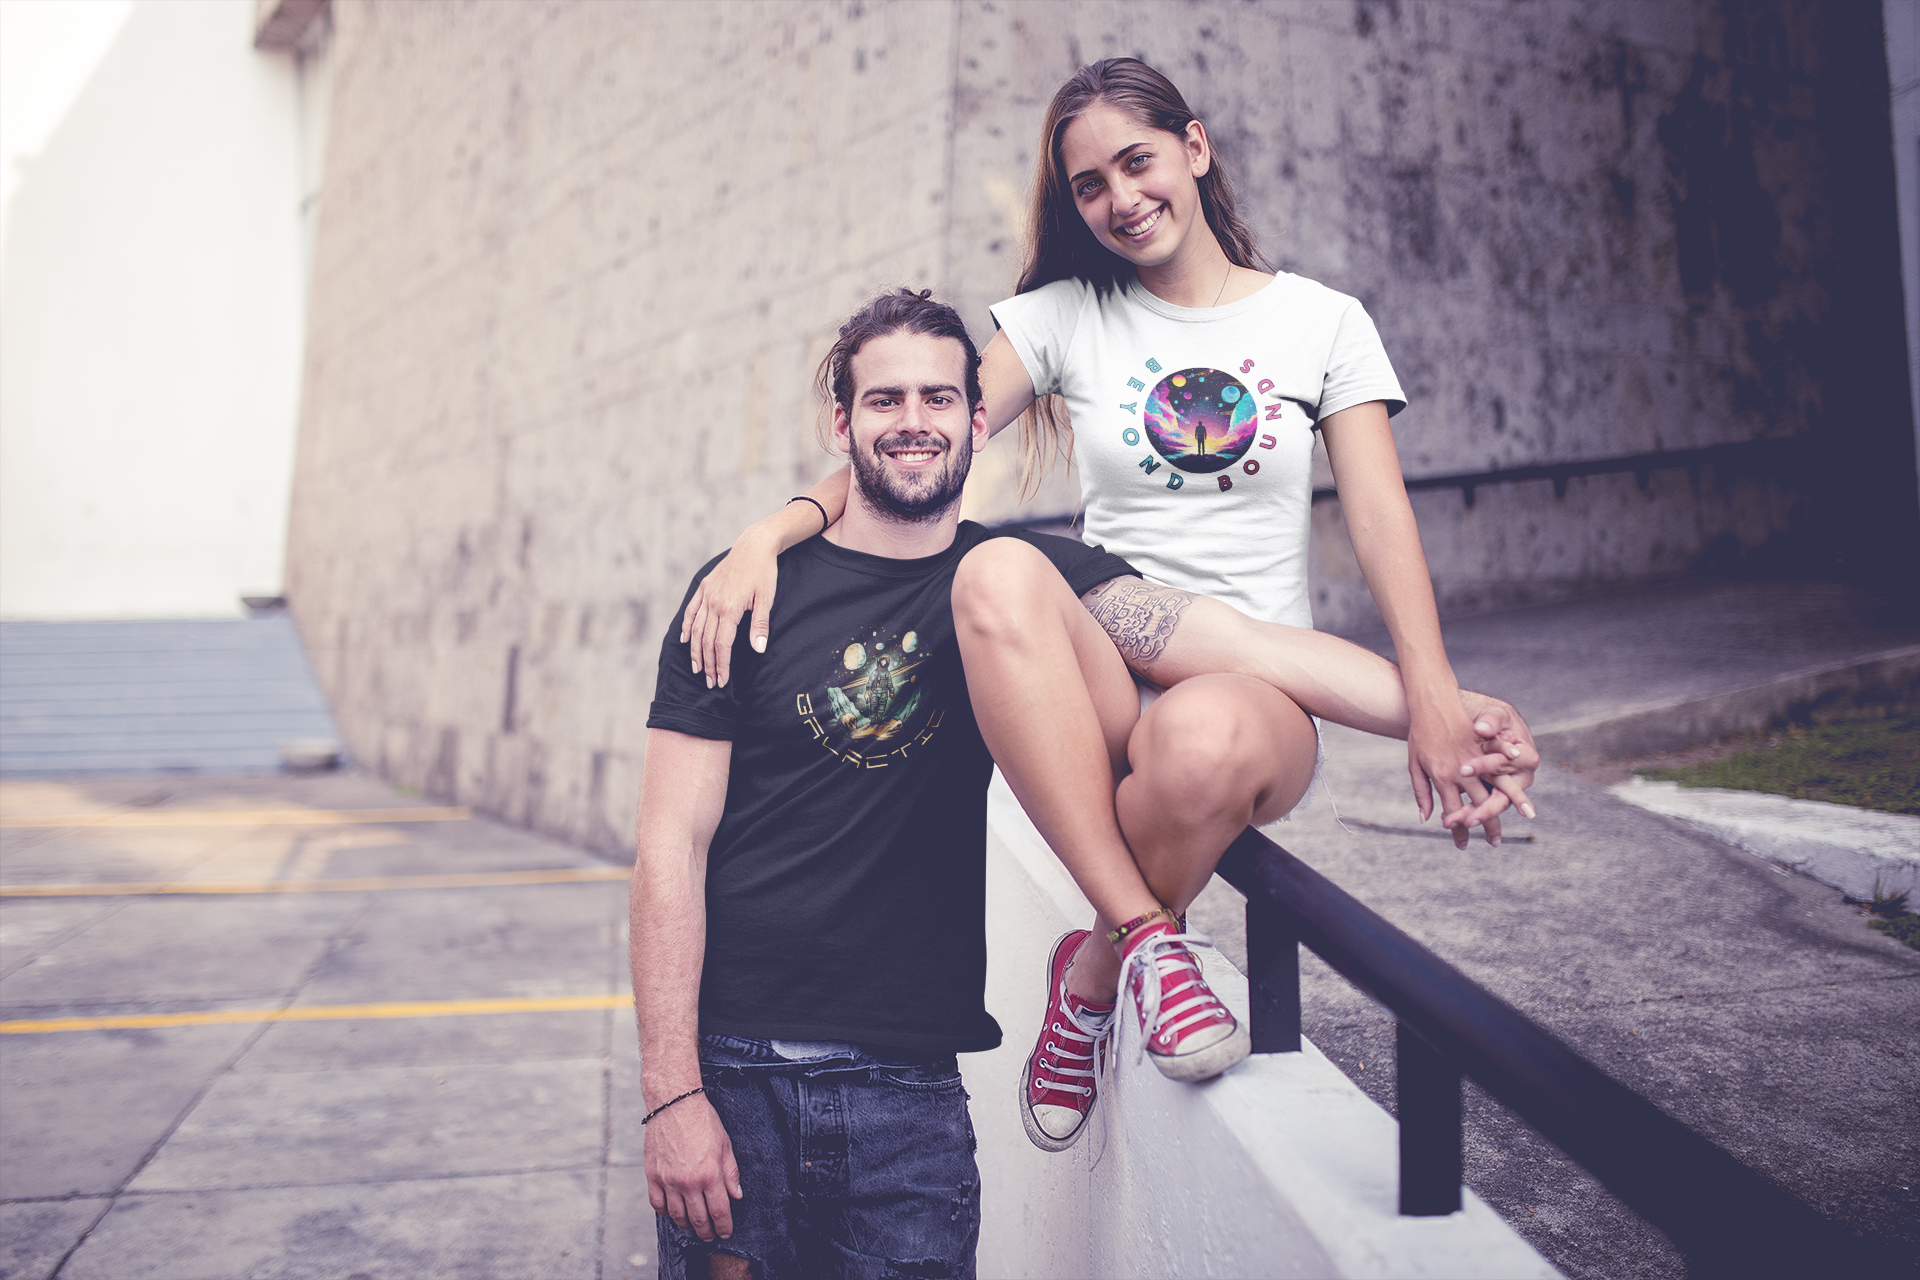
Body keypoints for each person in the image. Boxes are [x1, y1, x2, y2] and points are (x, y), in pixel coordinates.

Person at [675, 57, 1539, 1155]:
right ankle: (1149, 936)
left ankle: (1091, 971)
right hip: (1109, 661)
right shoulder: (1063, 317)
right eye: (1089, 184)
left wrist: (1438, 700)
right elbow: (920, 438)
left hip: (1254, 689)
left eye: (1138, 161)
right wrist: (770, 532)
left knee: (1208, 728)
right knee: (991, 570)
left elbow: (1380, 518)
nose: (1121, 198)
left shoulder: (1322, 323)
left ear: (1196, 146)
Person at [636, 288, 1534, 1274]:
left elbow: (1246, 644)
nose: (913, 422)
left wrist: (1452, 710)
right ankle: (1141, 937)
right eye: (884, 400)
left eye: (939, 398)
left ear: (979, 420)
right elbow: (670, 845)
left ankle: (1127, 946)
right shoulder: (742, 590)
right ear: (841, 424)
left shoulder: (1018, 581)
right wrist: (672, 1091)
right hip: (733, 1063)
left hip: (907, 1082)